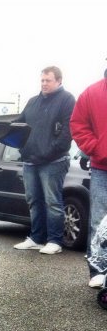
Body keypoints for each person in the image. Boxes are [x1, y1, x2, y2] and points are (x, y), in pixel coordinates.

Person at [12, 66, 75, 255]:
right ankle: (36, 238)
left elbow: (67, 132)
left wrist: (49, 152)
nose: (44, 84)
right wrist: (22, 147)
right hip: (31, 160)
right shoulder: (32, 102)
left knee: (52, 202)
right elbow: (18, 125)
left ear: (59, 81)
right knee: (33, 200)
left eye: (48, 80)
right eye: (42, 80)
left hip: (54, 161)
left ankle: (55, 241)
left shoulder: (67, 100)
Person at [70, 71, 107, 288]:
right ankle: (98, 270)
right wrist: (96, 148)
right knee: (99, 220)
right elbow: (78, 124)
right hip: (102, 167)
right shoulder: (91, 93)